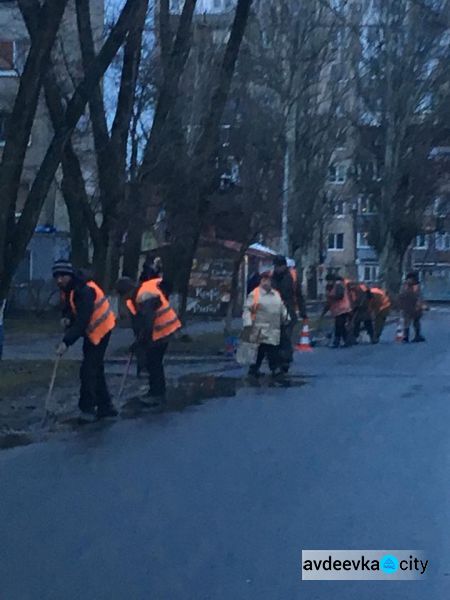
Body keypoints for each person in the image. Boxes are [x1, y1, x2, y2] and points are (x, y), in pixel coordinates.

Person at [53, 259, 117, 420]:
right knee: (95, 368)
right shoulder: (68, 289)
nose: (59, 280)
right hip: (91, 329)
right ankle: (105, 406)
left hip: (101, 328)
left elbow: (82, 320)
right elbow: (69, 307)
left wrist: (66, 342)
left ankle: (87, 409)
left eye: (62, 276)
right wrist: (66, 317)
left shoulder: (84, 290)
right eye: (56, 276)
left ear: (70, 275)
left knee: (88, 369)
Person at [116, 271, 182, 407]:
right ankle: (155, 392)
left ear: (127, 292)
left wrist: (141, 341)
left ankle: (157, 394)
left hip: (163, 330)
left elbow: (148, 321)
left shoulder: (144, 295)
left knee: (154, 362)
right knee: (154, 361)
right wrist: (139, 341)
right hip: (162, 329)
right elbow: (140, 323)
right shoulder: (139, 294)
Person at [243, 271, 288, 382]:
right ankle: (270, 369)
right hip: (260, 326)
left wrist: (285, 318)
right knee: (265, 349)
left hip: (270, 326)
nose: (267, 283)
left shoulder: (274, 294)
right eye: (265, 280)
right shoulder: (256, 294)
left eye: (268, 280)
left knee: (267, 348)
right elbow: (248, 309)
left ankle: (257, 369)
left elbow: (281, 307)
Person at [271, 255, 307, 373]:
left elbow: (298, 296)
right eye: (275, 266)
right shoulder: (272, 278)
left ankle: (285, 361)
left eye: (278, 266)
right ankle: (275, 361)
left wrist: (303, 312)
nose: (276, 269)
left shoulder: (291, 278)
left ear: (283, 266)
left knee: (285, 337)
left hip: (288, 312)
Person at [321, 273, 352, 347]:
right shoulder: (329, 287)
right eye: (328, 281)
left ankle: (337, 341)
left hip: (343, 309)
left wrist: (332, 296)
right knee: (341, 326)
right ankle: (346, 341)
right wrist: (323, 312)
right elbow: (329, 302)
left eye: (330, 280)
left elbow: (340, 296)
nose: (328, 282)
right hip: (337, 310)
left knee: (339, 325)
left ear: (333, 280)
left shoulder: (338, 285)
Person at [399, 272, 425, 343]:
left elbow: (401, 296)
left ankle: (406, 337)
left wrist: (401, 306)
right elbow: (419, 296)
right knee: (416, 322)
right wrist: (420, 305)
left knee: (407, 322)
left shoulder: (404, 285)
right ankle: (417, 336)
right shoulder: (416, 286)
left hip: (406, 307)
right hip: (414, 306)